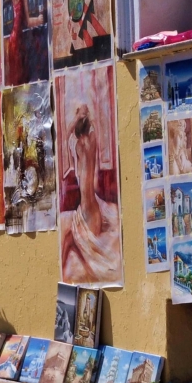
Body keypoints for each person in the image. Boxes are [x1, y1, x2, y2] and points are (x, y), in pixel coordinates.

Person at [60, 104, 121, 284]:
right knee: (69, 241)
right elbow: (85, 129)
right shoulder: (91, 143)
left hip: (88, 213)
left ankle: (65, 277)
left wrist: (78, 117)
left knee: (69, 242)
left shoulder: (79, 146)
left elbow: (66, 135)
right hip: (92, 209)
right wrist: (86, 116)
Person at [7, 0, 43, 86]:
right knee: (23, 83)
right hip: (20, 41)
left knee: (15, 84)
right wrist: (39, 19)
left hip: (12, 40)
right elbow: (28, 22)